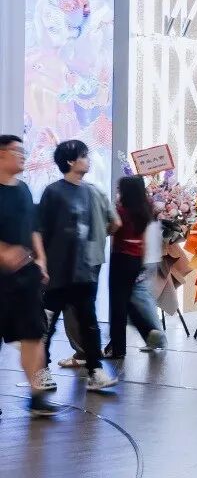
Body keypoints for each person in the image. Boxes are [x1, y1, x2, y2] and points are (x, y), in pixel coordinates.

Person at [38, 140, 117, 391]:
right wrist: (42, 264)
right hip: (57, 271)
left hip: (83, 271)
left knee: (89, 323)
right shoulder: (53, 192)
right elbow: (40, 230)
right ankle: (41, 370)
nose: (88, 159)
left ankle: (95, 370)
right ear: (70, 161)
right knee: (47, 325)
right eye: (84, 155)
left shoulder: (89, 191)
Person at [0, 135, 60, 416]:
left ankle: (38, 397)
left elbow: (33, 227)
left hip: (26, 277)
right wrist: (4, 251)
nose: (23, 155)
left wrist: (42, 260)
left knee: (33, 335)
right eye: (17, 151)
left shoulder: (24, 189)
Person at [105, 176, 166, 359]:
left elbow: (113, 228)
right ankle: (148, 331)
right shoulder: (146, 208)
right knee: (127, 300)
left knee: (118, 304)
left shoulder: (121, 210)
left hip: (120, 257)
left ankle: (118, 349)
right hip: (137, 258)